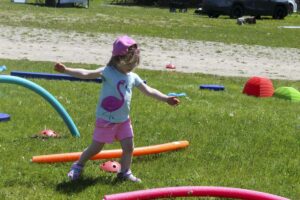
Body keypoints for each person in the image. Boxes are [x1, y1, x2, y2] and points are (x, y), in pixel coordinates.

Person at [54, 35, 180, 183]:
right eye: (129, 65)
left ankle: (125, 172)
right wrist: (66, 70)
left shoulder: (132, 76)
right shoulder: (108, 71)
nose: (131, 68)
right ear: (117, 60)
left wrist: (166, 99)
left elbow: (149, 90)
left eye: (134, 65)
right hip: (105, 120)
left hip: (124, 120)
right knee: (96, 148)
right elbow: (86, 73)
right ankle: (78, 165)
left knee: (129, 147)